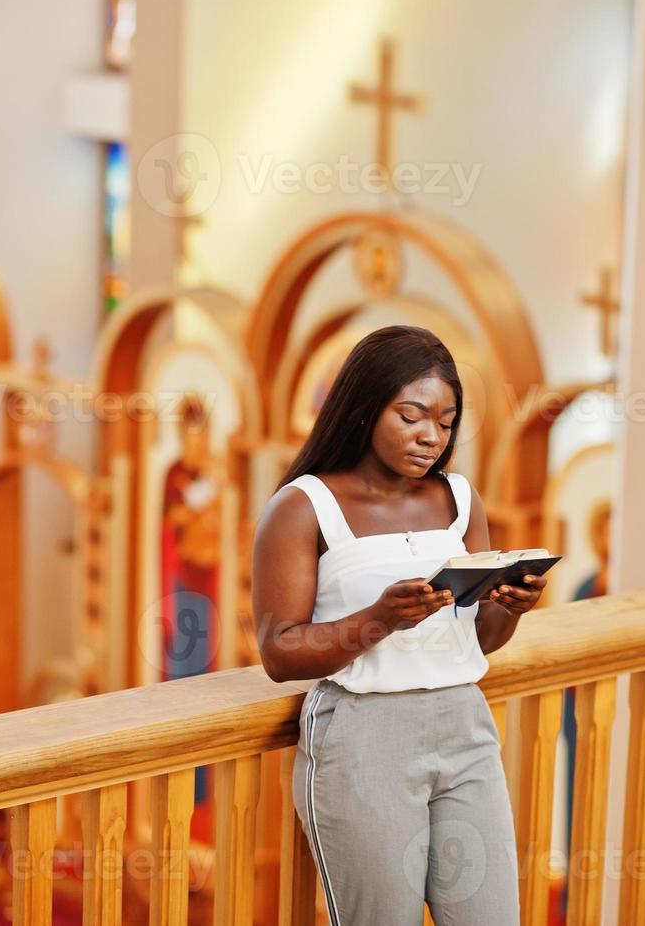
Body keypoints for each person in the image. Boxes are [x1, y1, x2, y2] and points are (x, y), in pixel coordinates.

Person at [252, 325, 546, 925]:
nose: (430, 436)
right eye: (411, 415)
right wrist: (379, 620)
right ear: (364, 407)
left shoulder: (459, 500)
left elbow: (481, 638)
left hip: (464, 722)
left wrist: (507, 605)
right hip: (364, 736)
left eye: (445, 420)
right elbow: (279, 653)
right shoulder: (304, 506)